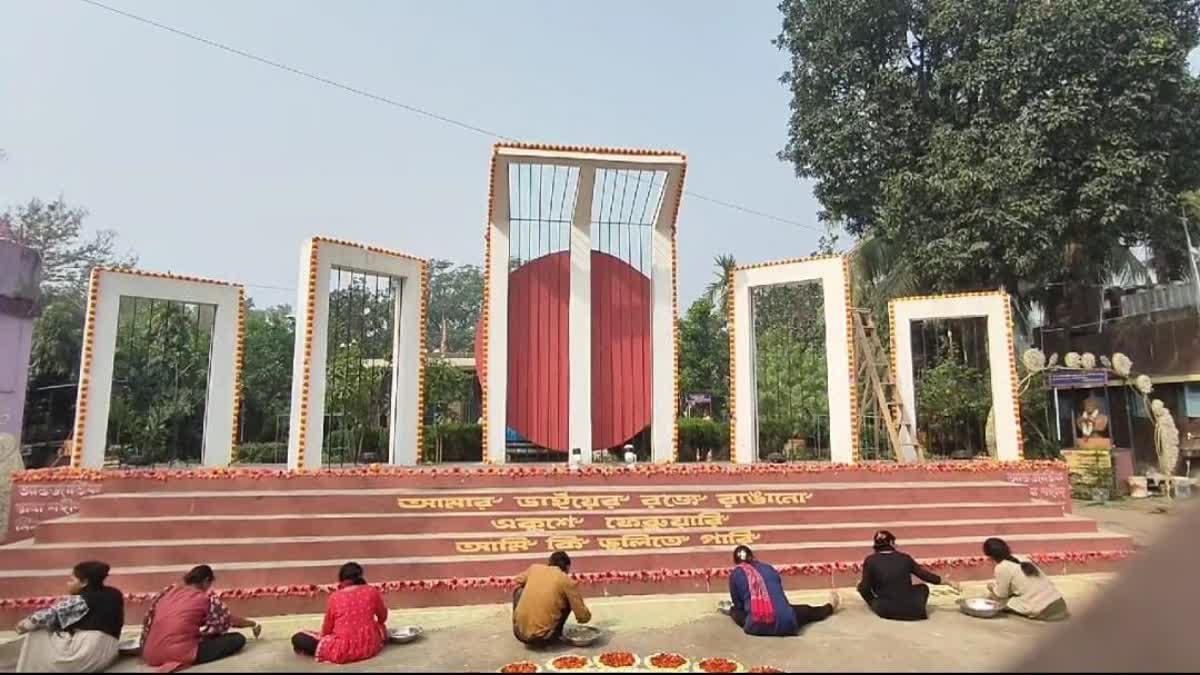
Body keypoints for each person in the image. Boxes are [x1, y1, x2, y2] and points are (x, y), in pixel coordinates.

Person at [140, 565, 260, 672]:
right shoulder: (204, 598)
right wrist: (252, 624)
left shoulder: (169, 591)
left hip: (150, 654)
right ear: (206, 581)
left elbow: (151, 617)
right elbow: (228, 620)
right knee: (237, 639)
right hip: (178, 653)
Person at [14, 561, 124, 673]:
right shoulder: (115, 594)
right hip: (108, 654)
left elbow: (45, 616)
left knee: (37, 632)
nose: (68, 583)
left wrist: (23, 625)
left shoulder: (82, 599)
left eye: (72, 580)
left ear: (84, 582)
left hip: (87, 655)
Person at [728, 546, 838, 636]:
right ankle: (830, 607)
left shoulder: (735, 574)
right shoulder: (768, 568)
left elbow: (739, 605)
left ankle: (729, 610)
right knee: (807, 610)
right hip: (787, 622)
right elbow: (777, 593)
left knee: (735, 611)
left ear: (736, 562)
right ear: (752, 557)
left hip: (755, 626)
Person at [290, 562, 388, 663]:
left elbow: (327, 630)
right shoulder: (372, 591)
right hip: (370, 646)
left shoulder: (335, 597)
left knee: (299, 637)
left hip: (342, 650)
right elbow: (383, 617)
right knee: (380, 627)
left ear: (341, 580)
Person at [857, 530, 961, 621]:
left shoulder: (870, 560)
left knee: (862, 587)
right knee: (923, 587)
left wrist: (860, 586)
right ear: (892, 543)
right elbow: (925, 575)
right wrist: (949, 582)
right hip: (914, 612)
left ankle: (877, 604)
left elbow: (865, 588)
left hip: (886, 611)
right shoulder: (905, 558)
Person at [512, 551, 591, 645]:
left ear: (549, 562)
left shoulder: (535, 568)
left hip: (519, 634)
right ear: (567, 567)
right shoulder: (566, 580)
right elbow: (583, 617)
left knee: (519, 590)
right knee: (569, 598)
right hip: (543, 638)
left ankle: (523, 623)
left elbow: (517, 580)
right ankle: (550, 632)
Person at [982, 537, 1068, 621]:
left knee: (999, 601)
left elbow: (1001, 595)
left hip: (1045, 611)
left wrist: (991, 587)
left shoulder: (1001, 567)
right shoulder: (1022, 558)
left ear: (990, 557)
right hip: (1060, 603)